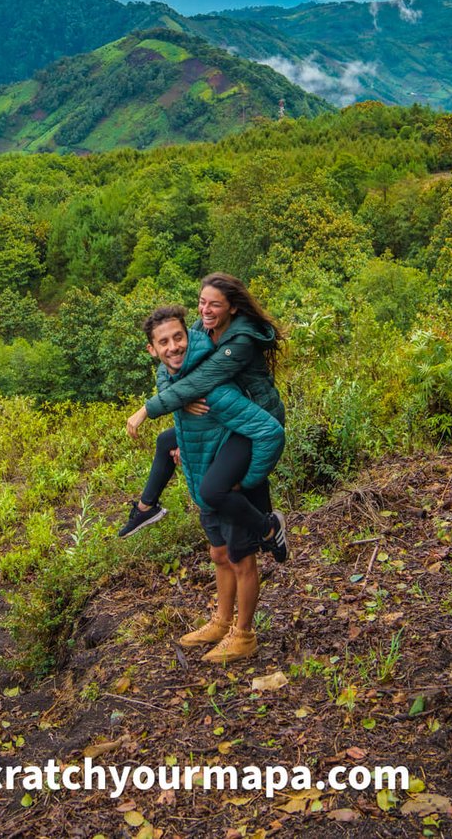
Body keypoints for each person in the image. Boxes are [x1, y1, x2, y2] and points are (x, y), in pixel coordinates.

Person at [135, 305, 284, 662]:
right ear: (152, 350)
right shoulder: (173, 379)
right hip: (206, 472)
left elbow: (264, 430)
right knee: (218, 554)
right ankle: (221, 622)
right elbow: (187, 424)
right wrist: (183, 442)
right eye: (164, 342)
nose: (174, 347)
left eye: (178, 337)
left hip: (230, 480)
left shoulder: (210, 381)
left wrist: (245, 480)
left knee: (240, 558)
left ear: (189, 336)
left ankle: (244, 635)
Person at [120, 274, 288, 560]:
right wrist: (182, 403)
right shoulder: (203, 329)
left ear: (232, 307)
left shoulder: (242, 338)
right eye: (202, 302)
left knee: (225, 488)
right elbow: (170, 369)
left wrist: (147, 409)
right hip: (224, 415)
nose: (205, 310)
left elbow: (202, 378)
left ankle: (268, 528)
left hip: (253, 418)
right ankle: (147, 508)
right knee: (165, 442)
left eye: (215, 305)